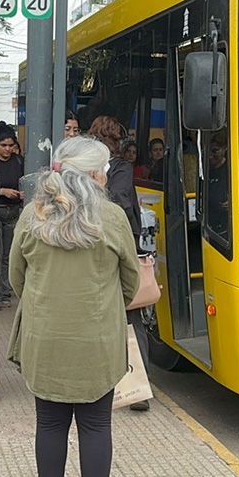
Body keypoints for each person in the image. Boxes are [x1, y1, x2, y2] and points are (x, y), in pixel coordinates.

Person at [7, 137, 140, 477]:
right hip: (96, 342)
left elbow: (17, 278)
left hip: (44, 338)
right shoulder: (112, 218)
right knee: (96, 428)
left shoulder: (32, 217)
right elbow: (130, 283)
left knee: (49, 426)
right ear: (95, 175)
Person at [86, 115, 149, 412]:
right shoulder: (118, 169)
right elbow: (123, 202)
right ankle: (129, 386)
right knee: (130, 315)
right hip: (119, 242)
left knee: (124, 313)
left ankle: (134, 387)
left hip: (103, 243)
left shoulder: (100, 169)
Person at [0, 122, 24, 309]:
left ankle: (5, 290)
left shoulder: (19, 161)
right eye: (4, 145)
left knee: (9, 254)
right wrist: (1, 191)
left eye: (11, 145)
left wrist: (22, 193)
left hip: (13, 211)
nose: (8, 149)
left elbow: (25, 181)